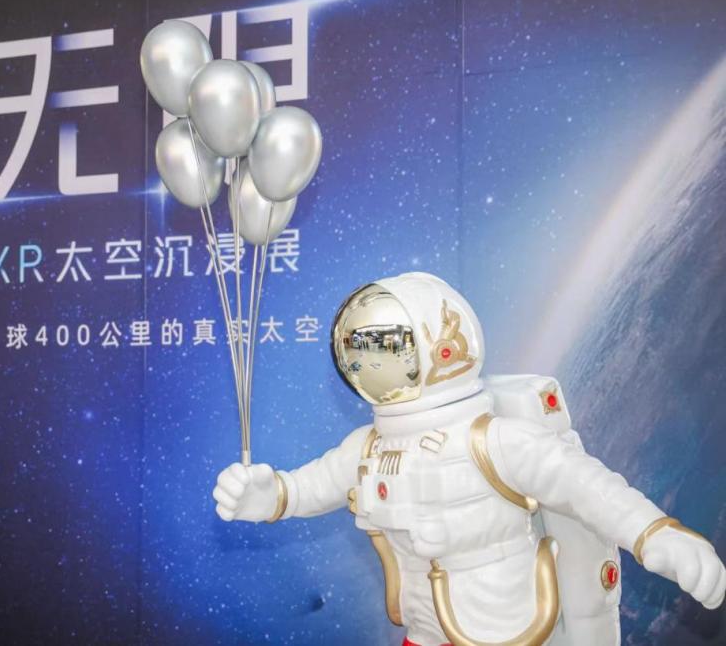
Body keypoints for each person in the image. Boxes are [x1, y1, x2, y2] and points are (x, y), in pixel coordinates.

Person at [213, 271, 725, 646]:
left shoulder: (491, 441)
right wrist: (274, 496)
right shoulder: (369, 446)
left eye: (386, 348)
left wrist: (654, 534)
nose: (369, 362)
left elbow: (586, 488)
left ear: (441, 349)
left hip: (506, 631)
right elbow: (313, 486)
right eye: (361, 351)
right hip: (425, 630)